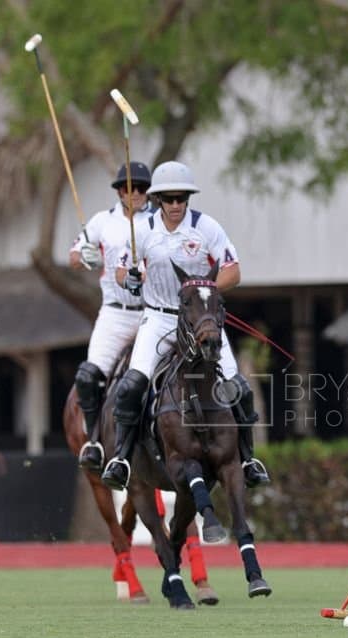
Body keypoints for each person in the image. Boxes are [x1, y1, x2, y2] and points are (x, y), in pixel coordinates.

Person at [99, 160, 271, 492]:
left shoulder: (206, 228)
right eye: (169, 199)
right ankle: (121, 458)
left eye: (182, 198)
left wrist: (204, 294)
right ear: (157, 199)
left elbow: (233, 271)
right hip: (158, 317)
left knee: (239, 387)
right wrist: (131, 277)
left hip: (199, 320)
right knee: (132, 385)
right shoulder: (143, 230)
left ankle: (248, 459)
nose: (176, 205)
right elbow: (121, 272)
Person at [70, 161, 155, 474]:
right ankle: (94, 441)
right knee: (88, 376)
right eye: (128, 188)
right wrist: (85, 257)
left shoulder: (159, 222)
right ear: (119, 191)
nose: (134, 194)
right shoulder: (101, 222)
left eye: (142, 188)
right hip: (114, 315)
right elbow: (75, 256)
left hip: (152, 314)